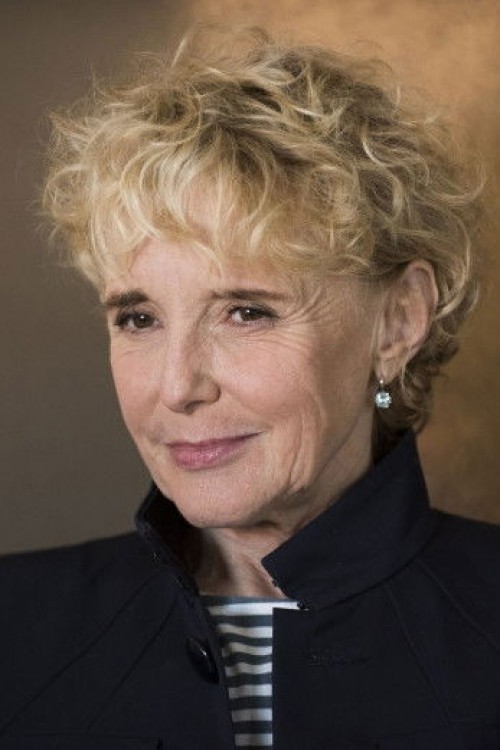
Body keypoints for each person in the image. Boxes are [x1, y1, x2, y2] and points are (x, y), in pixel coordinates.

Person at [1, 24, 499, 750]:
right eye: (139, 318)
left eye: (246, 311)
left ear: (397, 322)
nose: (177, 386)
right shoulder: (15, 628)